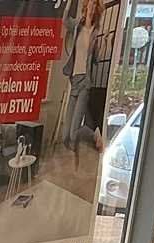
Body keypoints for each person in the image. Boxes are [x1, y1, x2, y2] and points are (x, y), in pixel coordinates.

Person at [62, 0, 106, 162]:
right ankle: (90, 137)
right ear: (86, 7)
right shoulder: (77, 26)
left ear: (96, 10)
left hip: (85, 82)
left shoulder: (95, 32)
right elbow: (65, 20)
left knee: (74, 134)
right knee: (65, 137)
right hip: (74, 80)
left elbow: (96, 60)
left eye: (95, 6)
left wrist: (102, 44)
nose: (91, 8)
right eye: (90, 5)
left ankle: (94, 136)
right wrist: (68, 3)